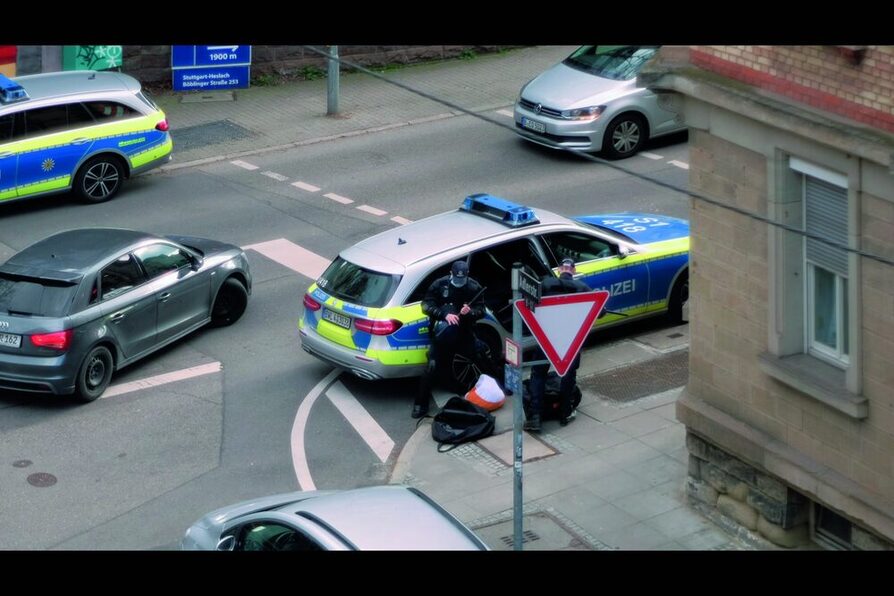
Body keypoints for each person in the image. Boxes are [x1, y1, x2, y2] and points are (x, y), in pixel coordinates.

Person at [412, 260, 493, 418]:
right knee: (432, 366)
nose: (459, 282)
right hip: (442, 334)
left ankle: (500, 386)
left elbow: (481, 310)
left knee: (481, 353)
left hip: (464, 332)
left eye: (462, 280)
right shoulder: (439, 285)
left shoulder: (473, 287)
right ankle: (420, 405)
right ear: (451, 274)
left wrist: (470, 312)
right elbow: (425, 306)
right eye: (456, 279)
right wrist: (444, 315)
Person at [524, 258, 592, 432]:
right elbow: (599, 312)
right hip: (571, 340)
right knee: (569, 375)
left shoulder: (546, 284)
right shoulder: (583, 288)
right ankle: (565, 412)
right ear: (574, 271)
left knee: (538, 373)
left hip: (547, 337)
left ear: (560, 269)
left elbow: (530, 303)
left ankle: (535, 416)